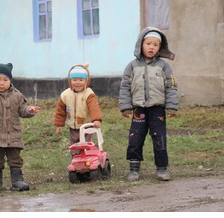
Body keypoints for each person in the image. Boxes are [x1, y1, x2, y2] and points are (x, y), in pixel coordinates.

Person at [118, 27, 179, 182]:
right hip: (139, 109)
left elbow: (171, 86)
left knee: (159, 137)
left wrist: (171, 106)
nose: (151, 47)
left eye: (155, 44)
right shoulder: (132, 66)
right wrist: (125, 107)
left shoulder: (164, 66)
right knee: (135, 137)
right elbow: (125, 86)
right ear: (141, 44)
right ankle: (134, 169)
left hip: (157, 109)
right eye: (148, 43)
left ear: (160, 47)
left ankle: (162, 168)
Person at [0, 63, 41, 192]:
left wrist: (30, 110)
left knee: (15, 159)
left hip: (13, 135)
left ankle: (17, 181)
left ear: (10, 80)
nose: (2, 83)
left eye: (5, 80)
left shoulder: (17, 95)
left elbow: (22, 110)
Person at [53, 64, 103, 155]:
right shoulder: (65, 95)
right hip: (73, 126)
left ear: (86, 81)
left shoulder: (88, 94)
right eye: (74, 80)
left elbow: (94, 108)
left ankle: (91, 156)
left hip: (86, 125)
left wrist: (96, 120)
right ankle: (76, 159)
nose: (77, 82)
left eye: (81, 80)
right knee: (75, 145)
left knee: (87, 144)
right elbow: (60, 111)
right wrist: (58, 125)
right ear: (70, 80)